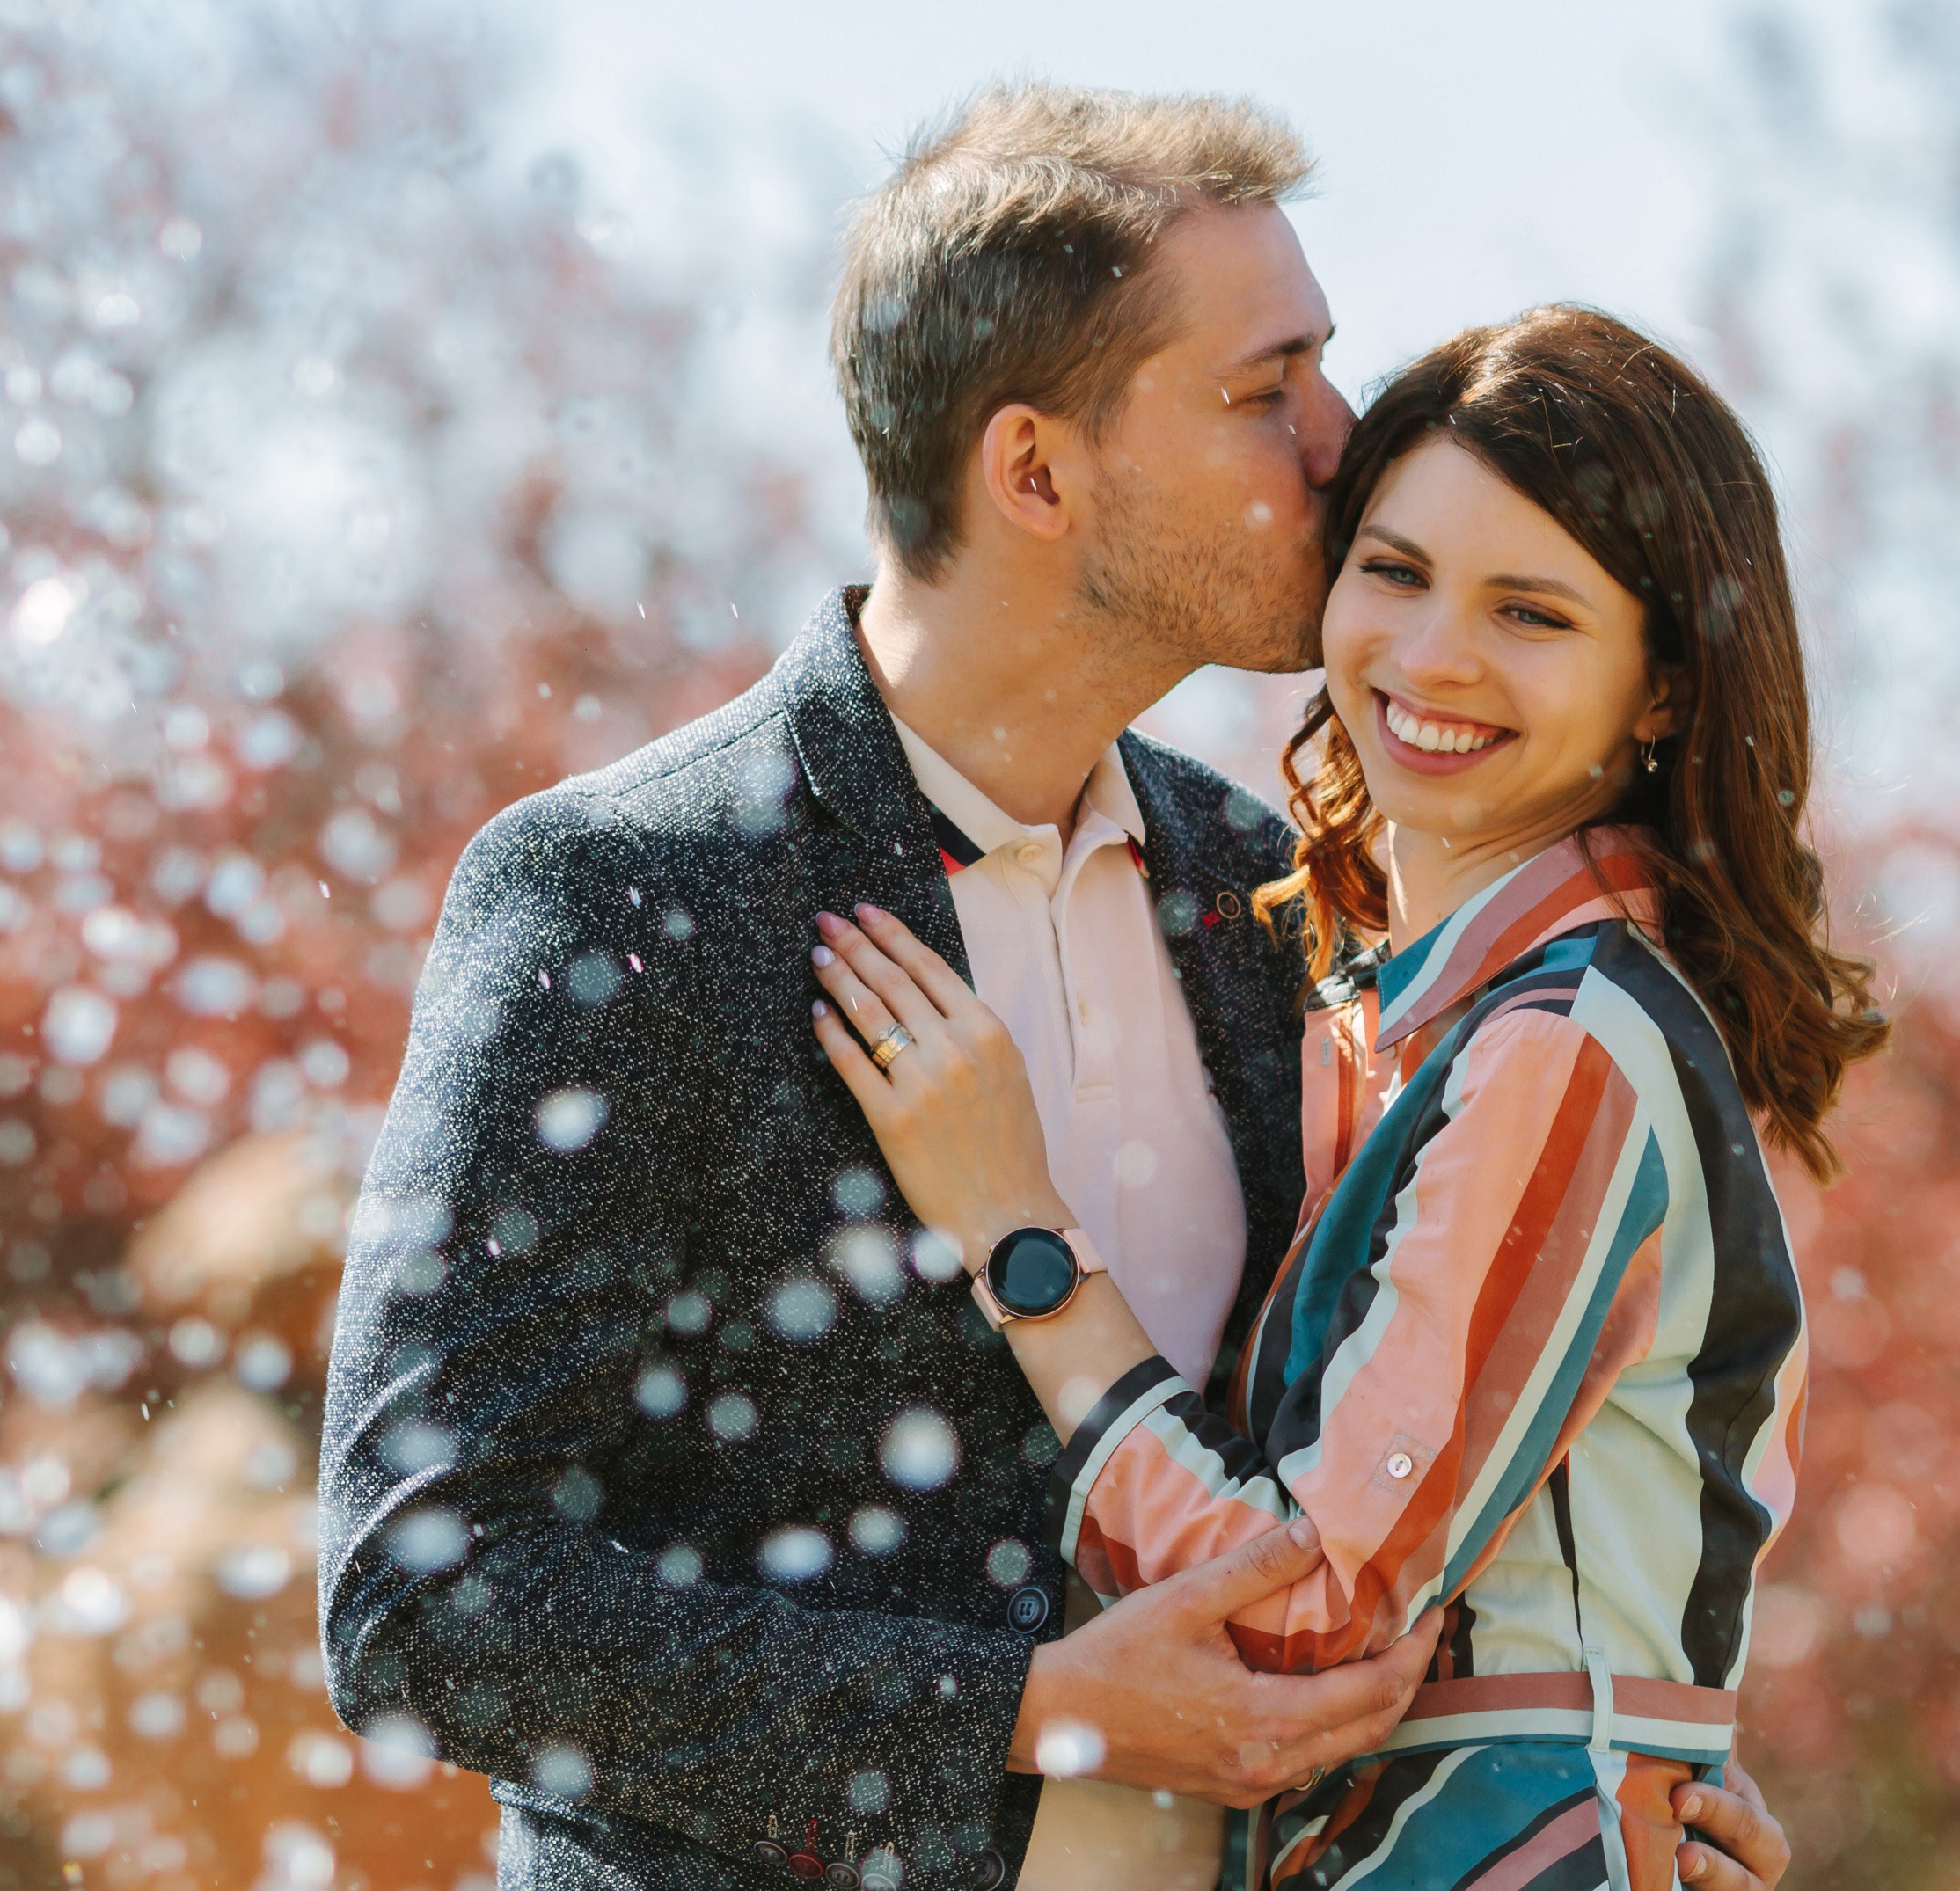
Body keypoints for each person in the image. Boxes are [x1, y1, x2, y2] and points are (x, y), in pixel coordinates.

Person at [318, 87, 1794, 1891]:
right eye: (1268, 389)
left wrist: (1622, 1784)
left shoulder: (1266, 904)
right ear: (1035, 472)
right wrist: (1019, 1710)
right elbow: (423, 1600)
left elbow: (1401, 1486)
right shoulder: (632, 895)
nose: (1342, 442)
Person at [805, 306, 1878, 1887]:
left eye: (1530, 610)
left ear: (1660, 689)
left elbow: (1305, 1620)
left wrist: (1014, 1231)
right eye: (1392, 572)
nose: (1433, 654)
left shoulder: (1561, 1044)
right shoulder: (1370, 1003)